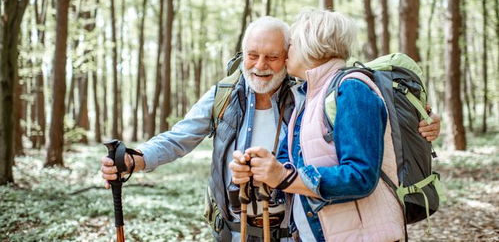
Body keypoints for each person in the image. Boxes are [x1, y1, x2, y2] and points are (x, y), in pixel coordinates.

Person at [101, 15, 441, 242]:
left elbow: (359, 138)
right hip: (235, 229)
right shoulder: (225, 95)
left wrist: (422, 123)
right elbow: (179, 137)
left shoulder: (307, 95)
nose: (260, 66)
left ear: (290, 55)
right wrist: (135, 159)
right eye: (252, 55)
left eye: (273, 57)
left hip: (295, 230)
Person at [230, 10, 438, 242]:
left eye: (293, 43)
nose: (287, 51)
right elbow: (288, 170)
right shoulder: (306, 96)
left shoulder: (351, 90)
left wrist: (284, 176)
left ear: (312, 45)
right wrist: (260, 172)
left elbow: (360, 176)